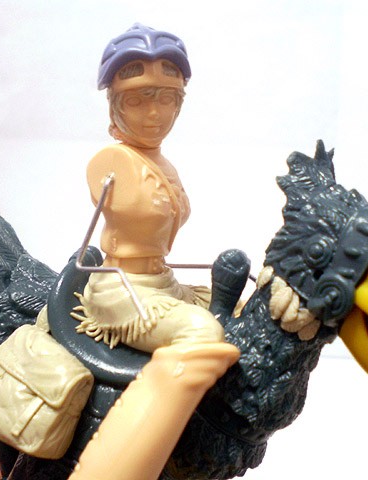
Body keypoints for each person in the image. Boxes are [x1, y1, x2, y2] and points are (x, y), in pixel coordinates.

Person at [67, 25, 241, 480]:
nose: (155, 113)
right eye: (139, 99)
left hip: (160, 279)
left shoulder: (161, 162)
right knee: (202, 333)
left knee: (242, 309)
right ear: (115, 103)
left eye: (167, 99)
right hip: (121, 286)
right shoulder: (112, 163)